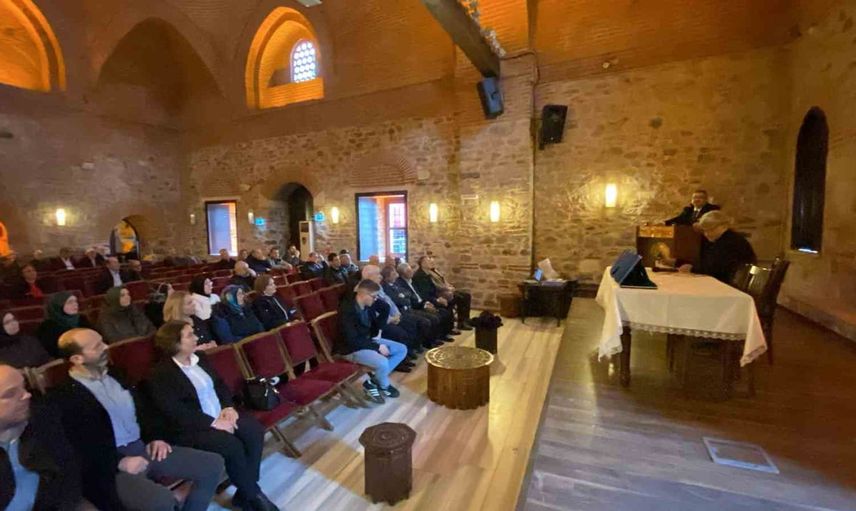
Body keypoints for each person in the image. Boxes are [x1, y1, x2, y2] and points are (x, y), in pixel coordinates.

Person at [54, 328, 224, 511]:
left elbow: (145, 411)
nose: (106, 347)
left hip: (142, 446)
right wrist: (120, 461)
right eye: (97, 346)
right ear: (77, 359)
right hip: (110, 463)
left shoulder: (117, 374)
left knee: (213, 464)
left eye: (103, 341)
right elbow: (78, 446)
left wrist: (155, 437)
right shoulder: (65, 396)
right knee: (160, 500)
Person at [148, 321, 278, 511]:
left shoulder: (200, 358)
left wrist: (228, 407)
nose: (196, 337)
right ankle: (254, 496)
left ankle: (245, 492)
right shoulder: (160, 374)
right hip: (195, 426)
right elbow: (176, 411)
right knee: (232, 446)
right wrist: (213, 423)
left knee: (254, 431)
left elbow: (219, 385)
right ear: (174, 343)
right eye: (189, 335)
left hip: (221, 412)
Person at [0, 364, 82, 510]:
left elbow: (69, 477)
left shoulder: (43, 421)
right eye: (10, 394)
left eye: (24, 387)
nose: (26, 395)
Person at [337, 280, 408, 404]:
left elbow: (385, 307)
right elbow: (352, 340)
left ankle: (372, 382)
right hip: (351, 348)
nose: (376, 299)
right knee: (383, 362)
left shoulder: (369, 302)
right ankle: (384, 385)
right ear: (363, 294)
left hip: (367, 340)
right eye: (374, 296)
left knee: (402, 349)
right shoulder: (347, 310)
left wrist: (379, 331)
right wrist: (377, 347)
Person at [678, 211, 757, 284]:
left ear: (724, 226)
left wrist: (692, 269)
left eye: (711, 230)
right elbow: (709, 263)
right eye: (705, 231)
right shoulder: (722, 239)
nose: (707, 234)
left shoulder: (730, 242)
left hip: (731, 286)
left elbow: (716, 270)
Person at [382, 266, 449, 347]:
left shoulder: (398, 284)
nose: (396, 276)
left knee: (442, 313)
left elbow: (409, 293)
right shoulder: (388, 287)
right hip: (403, 311)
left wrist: (404, 296)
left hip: (415, 305)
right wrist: (404, 298)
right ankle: (424, 343)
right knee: (426, 321)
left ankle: (438, 337)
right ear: (387, 277)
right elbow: (398, 300)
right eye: (393, 274)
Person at [396, 262, 456, 339]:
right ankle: (432, 340)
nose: (411, 272)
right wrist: (425, 305)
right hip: (416, 306)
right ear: (402, 274)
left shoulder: (412, 281)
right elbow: (411, 300)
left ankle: (443, 334)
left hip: (423, 302)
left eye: (411, 270)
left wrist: (427, 302)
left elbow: (422, 294)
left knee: (444, 311)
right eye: (408, 271)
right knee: (434, 317)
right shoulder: (401, 284)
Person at [413, 255, 472, 330]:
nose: (431, 263)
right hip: (436, 294)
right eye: (428, 261)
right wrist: (438, 297)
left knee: (466, 295)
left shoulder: (430, 272)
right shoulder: (420, 275)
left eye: (430, 261)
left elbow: (441, 281)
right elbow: (430, 289)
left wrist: (449, 286)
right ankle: (455, 324)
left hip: (437, 293)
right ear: (422, 263)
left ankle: (464, 320)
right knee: (455, 298)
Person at [36, 292, 93, 357]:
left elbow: (94, 336)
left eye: (75, 301)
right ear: (58, 305)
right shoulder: (47, 326)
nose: (75, 304)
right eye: (70, 302)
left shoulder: (82, 319)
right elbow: (51, 350)